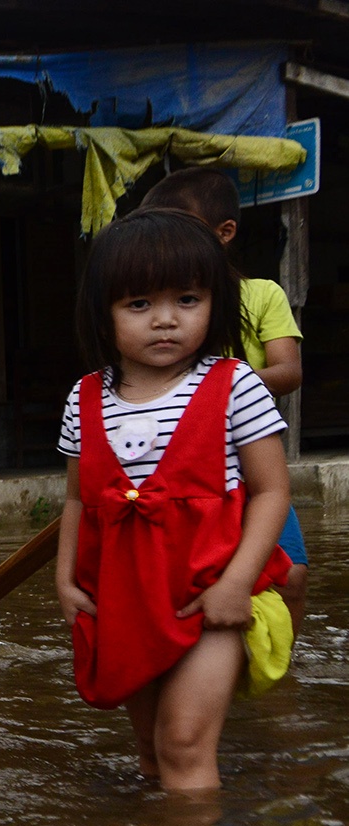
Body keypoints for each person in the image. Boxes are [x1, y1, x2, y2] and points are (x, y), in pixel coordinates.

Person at [53, 207, 293, 791]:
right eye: (139, 305)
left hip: (207, 595)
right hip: (122, 601)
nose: (165, 321)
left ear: (213, 303)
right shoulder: (84, 399)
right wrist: (64, 582)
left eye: (187, 299)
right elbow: (80, 501)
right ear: (103, 313)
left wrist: (236, 583)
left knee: (183, 743)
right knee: (151, 750)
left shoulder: (235, 384)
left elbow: (272, 491)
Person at [142, 166, 311, 634]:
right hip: (181, 468)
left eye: (181, 227)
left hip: (251, 462)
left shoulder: (260, 295)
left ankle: (281, 674)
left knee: (291, 576)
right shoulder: (164, 309)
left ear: (225, 232)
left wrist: (217, 391)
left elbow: (288, 370)